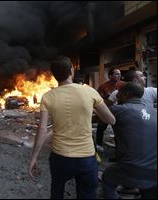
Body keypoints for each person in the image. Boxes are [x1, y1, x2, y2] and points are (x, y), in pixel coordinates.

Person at [28, 55, 115, 199]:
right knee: (87, 194)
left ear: (55, 75)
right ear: (71, 70)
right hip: (86, 158)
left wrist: (34, 157)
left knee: (57, 191)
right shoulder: (90, 91)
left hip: (60, 158)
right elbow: (111, 120)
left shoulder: (47, 97)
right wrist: (91, 111)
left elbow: (42, 129)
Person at [102, 82, 157, 199]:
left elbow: (95, 116)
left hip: (130, 169)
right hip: (154, 171)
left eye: (119, 94)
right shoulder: (155, 112)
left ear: (126, 94)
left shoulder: (118, 110)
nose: (117, 96)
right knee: (149, 188)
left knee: (107, 177)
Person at [96, 67, 124, 149]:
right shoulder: (103, 86)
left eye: (119, 74)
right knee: (101, 127)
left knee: (119, 129)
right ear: (110, 76)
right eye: (116, 74)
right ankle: (99, 144)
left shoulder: (123, 85)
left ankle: (119, 147)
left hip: (119, 111)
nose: (119, 75)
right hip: (107, 110)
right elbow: (99, 100)